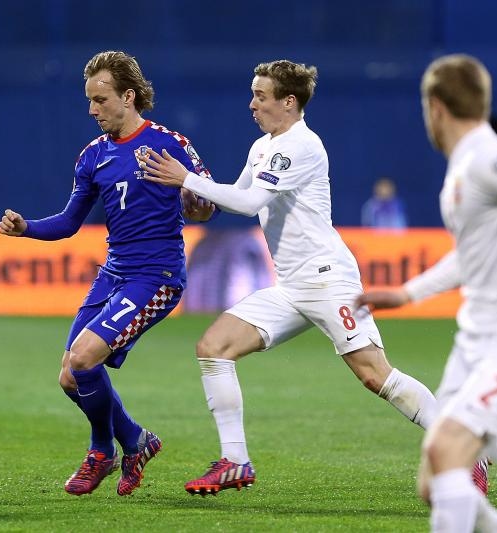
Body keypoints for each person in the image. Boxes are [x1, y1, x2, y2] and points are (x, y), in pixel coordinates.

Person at [137, 59, 465, 496]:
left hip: (328, 279)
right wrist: (198, 202)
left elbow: (252, 202)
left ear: (288, 102)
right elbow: (237, 196)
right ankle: (235, 461)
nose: (251, 104)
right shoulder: (263, 146)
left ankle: (464, 453)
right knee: (213, 347)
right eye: (253, 94)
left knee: (375, 376)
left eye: (261, 95)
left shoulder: (301, 145)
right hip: (291, 284)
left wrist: (188, 178)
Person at [0, 50, 214, 496]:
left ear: (128, 96)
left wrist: (194, 197)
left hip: (156, 276)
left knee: (82, 360)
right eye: (89, 100)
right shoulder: (93, 155)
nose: (92, 109)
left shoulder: (171, 143)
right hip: (114, 273)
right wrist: (27, 229)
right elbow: (68, 222)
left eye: (100, 99)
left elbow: (206, 205)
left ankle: (103, 451)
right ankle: (135, 441)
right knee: (69, 376)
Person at [357, 54, 497, 533]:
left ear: (435, 107)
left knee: (447, 455)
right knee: (435, 481)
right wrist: (407, 293)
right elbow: (469, 254)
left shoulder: (486, 157)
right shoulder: (463, 167)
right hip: (473, 343)